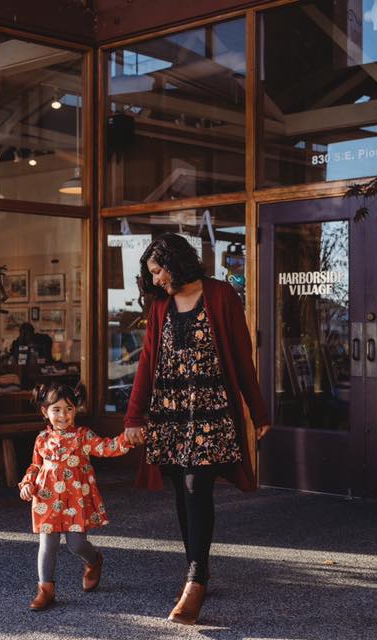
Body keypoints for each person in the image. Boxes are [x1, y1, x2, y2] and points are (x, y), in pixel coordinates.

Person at [124, 232, 270, 625]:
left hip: (210, 413)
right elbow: (147, 362)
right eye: (151, 274)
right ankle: (195, 567)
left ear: (176, 263)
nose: (154, 280)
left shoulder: (221, 296)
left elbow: (241, 355)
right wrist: (134, 418)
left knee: (196, 487)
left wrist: (259, 412)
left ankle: (195, 580)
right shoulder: (159, 305)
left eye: (158, 271)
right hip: (170, 413)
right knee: (180, 489)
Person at [18, 382, 133, 611]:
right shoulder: (41, 439)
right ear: (45, 411)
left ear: (76, 410)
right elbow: (34, 466)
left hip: (75, 498)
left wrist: (127, 439)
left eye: (69, 409)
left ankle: (94, 560)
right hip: (47, 497)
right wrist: (27, 483)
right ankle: (45, 589)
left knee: (76, 544)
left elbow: (105, 447)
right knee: (47, 545)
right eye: (57, 409)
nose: (63, 415)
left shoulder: (83, 435)